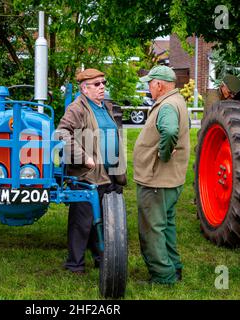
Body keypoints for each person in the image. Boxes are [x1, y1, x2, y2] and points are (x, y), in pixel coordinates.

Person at [56, 68, 127, 274]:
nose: (102, 86)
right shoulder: (77, 108)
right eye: (97, 84)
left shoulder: (104, 106)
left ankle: (101, 257)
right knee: (82, 221)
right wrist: (84, 158)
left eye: (103, 82)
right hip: (89, 175)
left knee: (106, 218)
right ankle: (75, 264)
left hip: (110, 171)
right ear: (84, 88)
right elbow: (61, 133)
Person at [133, 65, 190, 284]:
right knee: (166, 225)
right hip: (168, 180)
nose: (148, 87)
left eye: (150, 83)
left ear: (159, 84)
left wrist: (163, 154)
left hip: (157, 179)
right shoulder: (176, 101)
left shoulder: (167, 106)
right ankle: (174, 268)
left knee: (152, 228)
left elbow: (169, 131)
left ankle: (162, 276)